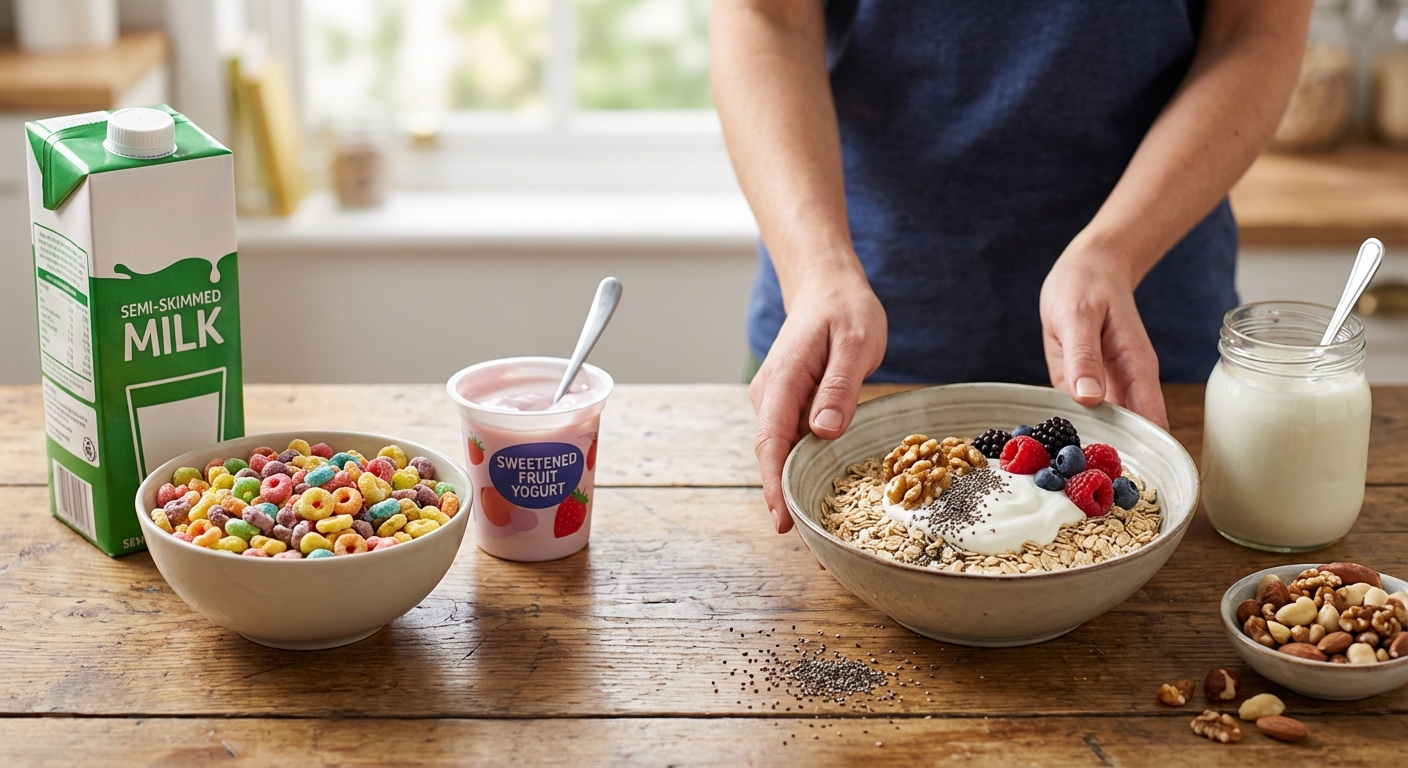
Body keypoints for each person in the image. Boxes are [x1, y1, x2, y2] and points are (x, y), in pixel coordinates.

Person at [711, 0, 1313, 534]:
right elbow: (766, 15)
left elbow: (1253, 32)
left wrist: (1115, 251)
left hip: (1136, 338)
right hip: (840, 320)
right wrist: (816, 270)